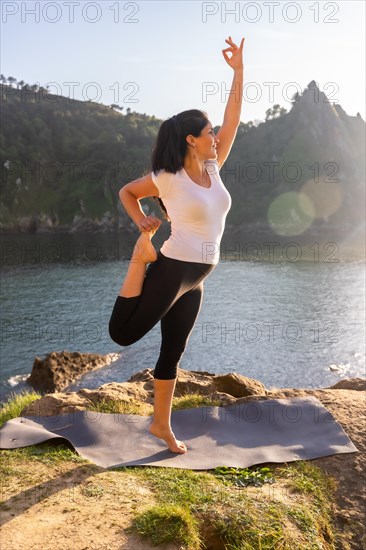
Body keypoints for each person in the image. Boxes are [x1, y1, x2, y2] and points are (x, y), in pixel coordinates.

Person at [109, 36, 245, 454]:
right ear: (190, 138)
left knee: (174, 348)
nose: (216, 137)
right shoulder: (168, 178)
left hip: (198, 275)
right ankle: (140, 255)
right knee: (123, 334)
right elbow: (127, 192)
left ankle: (161, 425)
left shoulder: (212, 166)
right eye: (208, 133)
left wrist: (239, 72)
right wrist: (142, 223)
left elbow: (234, 120)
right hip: (172, 267)